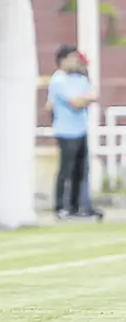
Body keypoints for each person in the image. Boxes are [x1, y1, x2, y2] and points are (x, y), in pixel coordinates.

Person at [48, 45, 102, 219]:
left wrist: (84, 99)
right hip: (65, 131)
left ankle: (76, 206)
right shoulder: (58, 80)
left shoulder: (79, 78)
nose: (76, 61)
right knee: (66, 170)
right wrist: (85, 99)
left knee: (80, 170)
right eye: (72, 58)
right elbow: (76, 103)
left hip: (81, 129)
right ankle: (60, 207)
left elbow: (94, 95)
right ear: (63, 60)